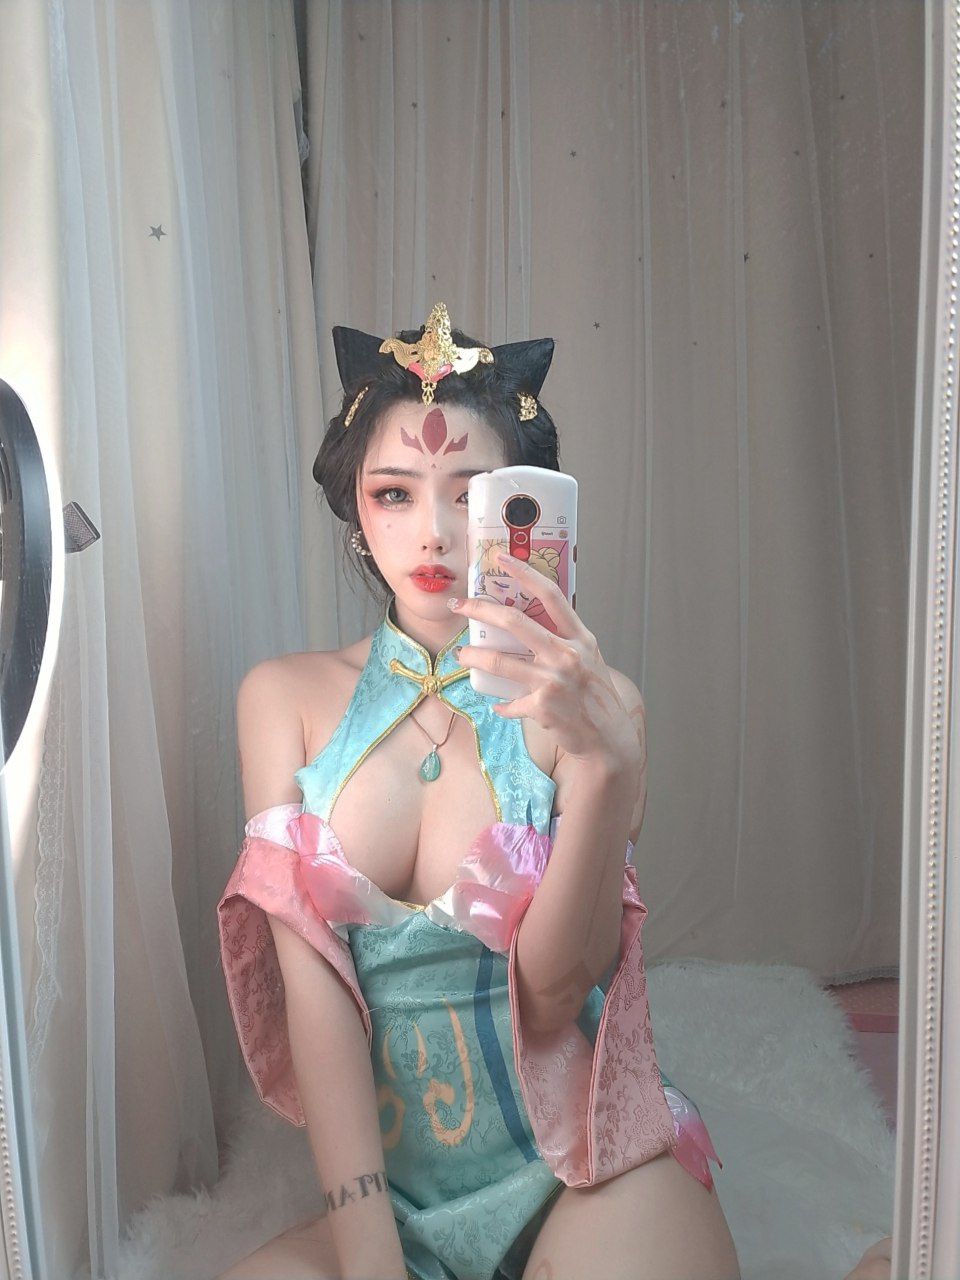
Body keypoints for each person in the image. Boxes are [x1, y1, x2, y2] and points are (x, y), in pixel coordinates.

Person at [216, 304, 741, 1280]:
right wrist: (373, 1258)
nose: (434, 530)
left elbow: (554, 995)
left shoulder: (596, 708)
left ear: (524, 510)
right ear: (355, 508)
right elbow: (314, 1003)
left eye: (471, 496)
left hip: (589, 1174)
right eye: (395, 492)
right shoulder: (282, 699)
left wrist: (605, 767)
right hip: (395, 1200)